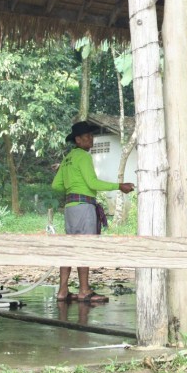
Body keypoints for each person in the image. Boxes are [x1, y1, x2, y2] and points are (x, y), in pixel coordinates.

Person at [52, 121, 135, 303]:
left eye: (91, 136)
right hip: (84, 207)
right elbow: (92, 184)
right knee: (84, 248)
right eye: (88, 136)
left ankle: (62, 291)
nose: (92, 139)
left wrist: (71, 183)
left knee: (69, 249)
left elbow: (56, 185)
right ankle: (84, 291)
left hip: (70, 208)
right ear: (78, 140)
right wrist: (119, 186)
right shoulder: (83, 156)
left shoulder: (67, 159)